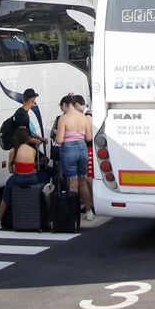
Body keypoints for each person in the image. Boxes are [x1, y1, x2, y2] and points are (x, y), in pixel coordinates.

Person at [0, 124, 42, 229]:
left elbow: (11, 170)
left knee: (6, 194)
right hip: (31, 178)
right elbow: (33, 166)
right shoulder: (33, 151)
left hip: (18, 178)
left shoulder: (14, 151)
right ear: (28, 138)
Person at [52, 94, 95, 222]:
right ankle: (89, 212)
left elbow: (59, 140)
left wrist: (56, 135)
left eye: (62, 107)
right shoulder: (84, 117)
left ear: (65, 105)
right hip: (82, 149)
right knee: (83, 182)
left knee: (72, 183)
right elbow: (88, 137)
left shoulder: (63, 118)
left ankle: (73, 214)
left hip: (69, 149)